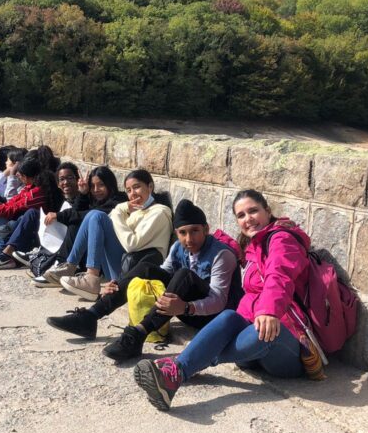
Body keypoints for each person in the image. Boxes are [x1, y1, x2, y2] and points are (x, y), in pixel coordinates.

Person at [133, 190, 323, 412]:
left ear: (267, 211)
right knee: (229, 317)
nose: (248, 219)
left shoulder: (282, 239)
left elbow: (279, 276)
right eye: (241, 215)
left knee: (263, 330)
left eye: (253, 211)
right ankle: (179, 370)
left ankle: (179, 368)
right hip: (251, 351)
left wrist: (269, 311)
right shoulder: (253, 246)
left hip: (285, 351)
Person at [47, 199, 244, 361]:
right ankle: (91, 316)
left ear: (206, 229)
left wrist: (185, 307)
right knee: (147, 268)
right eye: (182, 233)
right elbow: (162, 273)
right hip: (183, 308)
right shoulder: (178, 247)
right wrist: (120, 283)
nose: (188, 239)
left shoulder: (221, 255)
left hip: (213, 317)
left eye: (194, 231)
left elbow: (219, 300)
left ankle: (138, 335)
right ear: (176, 233)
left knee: (184, 275)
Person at [56, 169, 173, 300]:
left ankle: (91, 278)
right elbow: (106, 224)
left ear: (150, 187)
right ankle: (70, 266)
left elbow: (131, 244)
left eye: (136, 187)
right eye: (128, 190)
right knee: (93, 215)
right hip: (123, 267)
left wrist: (119, 211)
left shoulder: (159, 213)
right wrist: (122, 209)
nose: (133, 193)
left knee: (97, 216)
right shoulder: (136, 210)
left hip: (136, 276)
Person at [34, 166, 122, 287]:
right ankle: (66, 267)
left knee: (94, 215)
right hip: (96, 259)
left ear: (110, 184)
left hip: (112, 263)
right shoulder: (95, 201)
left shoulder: (118, 202)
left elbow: (84, 215)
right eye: (92, 186)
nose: (96, 190)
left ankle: (75, 269)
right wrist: (83, 193)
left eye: (101, 185)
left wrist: (58, 215)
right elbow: (76, 213)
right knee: (77, 222)